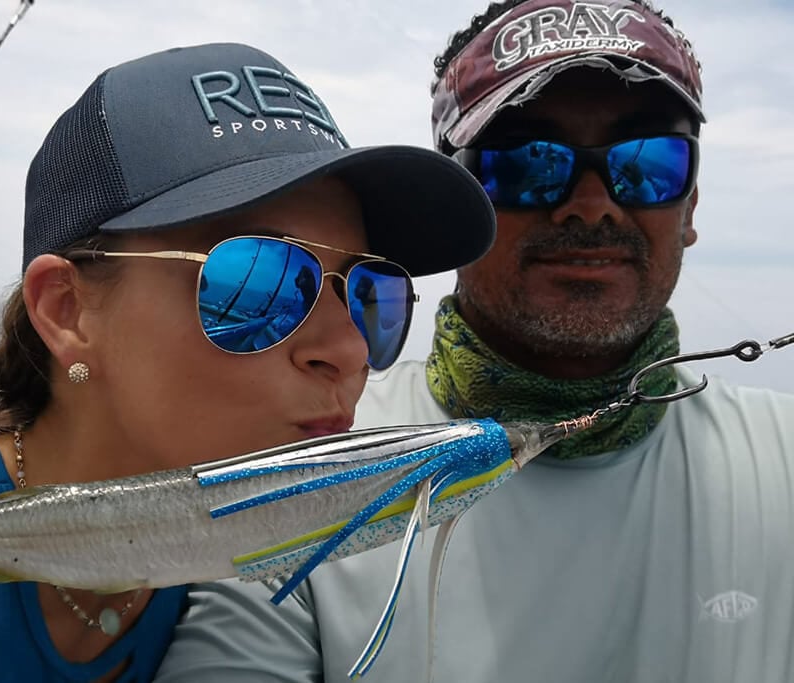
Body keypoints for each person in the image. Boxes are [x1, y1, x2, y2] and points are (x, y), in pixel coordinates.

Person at [0, 42, 495, 683]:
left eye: (373, 296)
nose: (348, 350)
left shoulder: (231, 521)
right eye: (260, 282)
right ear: (67, 311)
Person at [154, 3, 794, 682]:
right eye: (524, 165)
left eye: (648, 163)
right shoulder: (305, 468)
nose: (591, 203)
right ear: (455, 201)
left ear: (691, 205)